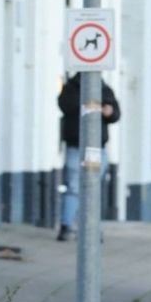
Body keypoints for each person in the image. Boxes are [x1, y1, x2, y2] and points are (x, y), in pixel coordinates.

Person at [57, 73, 120, 241]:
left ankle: (89, 227)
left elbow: (115, 113)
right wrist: (89, 105)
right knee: (74, 187)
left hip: (96, 149)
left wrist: (109, 112)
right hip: (76, 146)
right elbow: (65, 105)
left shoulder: (104, 89)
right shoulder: (71, 88)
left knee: (91, 187)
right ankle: (68, 225)